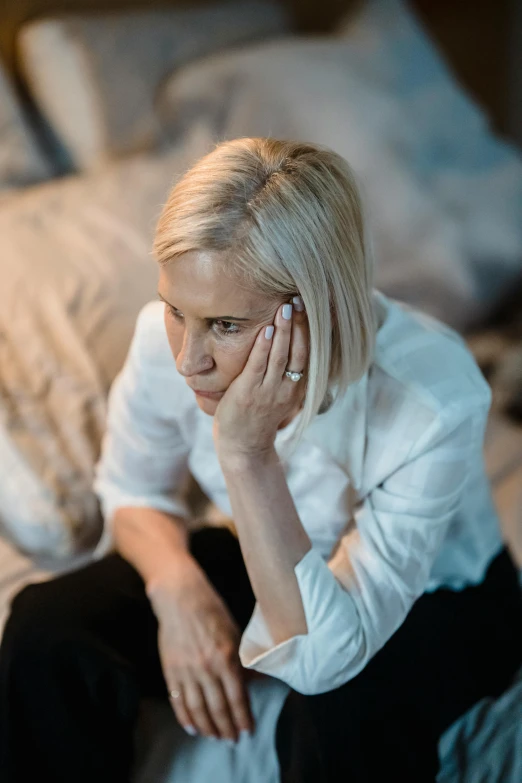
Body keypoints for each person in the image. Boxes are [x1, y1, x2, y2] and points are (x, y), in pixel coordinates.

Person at [0, 137, 521, 783]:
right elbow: (132, 488)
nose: (189, 358)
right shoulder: (165, 345)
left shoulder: (433, 398)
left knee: (337, 714)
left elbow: (322, 659)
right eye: (175, 310)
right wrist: (178, 589)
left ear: (315, 309)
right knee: (46, 630)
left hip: (444, 593)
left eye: (224, 325)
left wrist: (247, 455)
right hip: (267, 549)